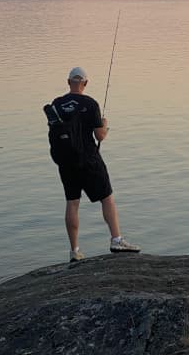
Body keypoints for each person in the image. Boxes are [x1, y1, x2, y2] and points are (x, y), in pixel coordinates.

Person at [47, 66, 140, 263]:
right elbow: (100, 136)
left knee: (72, 203)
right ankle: (116, 240)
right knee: (107, 198)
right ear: (85, 83)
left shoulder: (57, 104)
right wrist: (105, 124)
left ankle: (75, 251)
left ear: (68, 82)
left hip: (66, 162)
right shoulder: (90, 104)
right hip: (89, 159)